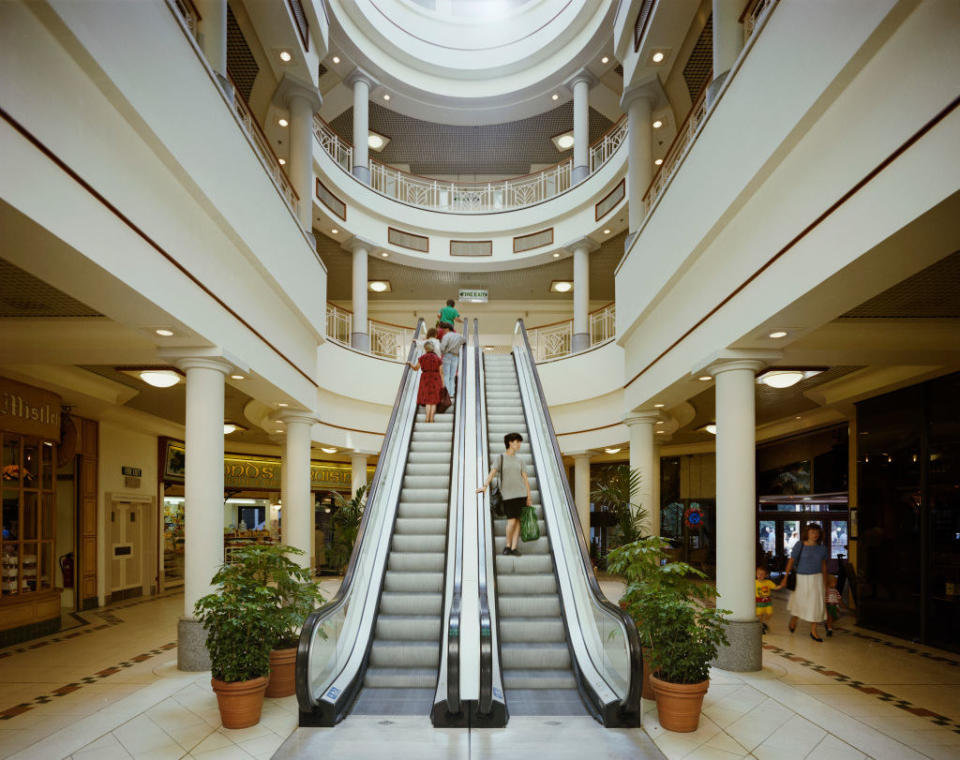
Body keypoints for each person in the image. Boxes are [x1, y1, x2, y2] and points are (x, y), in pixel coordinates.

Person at [476, 432, 532, 557]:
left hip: (521, 494)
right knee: (511, 521)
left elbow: (525, 479)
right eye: (516, 442)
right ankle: (507, 545)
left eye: (519, 442)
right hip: (508, 495)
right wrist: (485, 486)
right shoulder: (500, 458)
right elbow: (492, 473)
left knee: (518, 521)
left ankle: (514, 547)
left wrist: (529, 496)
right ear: (510, 443)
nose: (518, 444)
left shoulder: (520, 460)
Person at [778, 523, 829, 641]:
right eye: (812, 532)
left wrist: (825, 582)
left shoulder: (822, 548)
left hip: (817, 578)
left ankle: (814, 631)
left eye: (817, 532)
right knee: (800, 601)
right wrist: (785, 577)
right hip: (801, 578)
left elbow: (824, 566)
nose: (815, 535)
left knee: (816, 604)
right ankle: (794, 619)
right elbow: (791, 561)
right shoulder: (799, 545)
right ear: (807, 533)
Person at [407, 342, 443, 423]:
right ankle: (431, 418)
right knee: (433, 401)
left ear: (425, 349)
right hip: (435, 379)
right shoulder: (438, 358)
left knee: (428, 400)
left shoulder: (422, 358)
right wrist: (442, 383)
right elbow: (441, 372)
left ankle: (427, 418)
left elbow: (416, 368)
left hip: (425, 379)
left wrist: (410, 364)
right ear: (433, 348)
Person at [439, 327, 466, 397]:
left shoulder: (446, 336)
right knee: (452, 375)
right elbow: (464, 340)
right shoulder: (458, 336)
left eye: (444, 330)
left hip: (447, 356)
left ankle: (446, 393)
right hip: (455, 356)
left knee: (446, 375)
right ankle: (452, 393)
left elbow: (442, 348)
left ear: (447, 329)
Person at [755, 567, 776, 634]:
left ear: (766, 575)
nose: (760, 576)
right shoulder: (754, 582)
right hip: (759, 602)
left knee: (769, 614)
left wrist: (781, 585)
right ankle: (761, 626)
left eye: (762, 574)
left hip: (767, 602)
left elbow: (775, 587)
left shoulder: (768, 582)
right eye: (758, 574)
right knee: (759, 615)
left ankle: (763, 624)